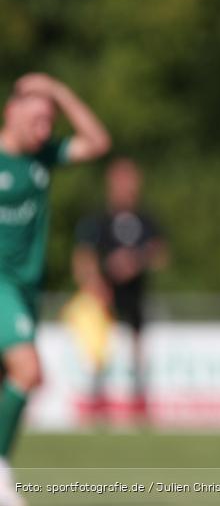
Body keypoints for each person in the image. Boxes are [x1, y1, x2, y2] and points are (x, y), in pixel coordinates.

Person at [0, 73, 110, 505]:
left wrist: (60, 91)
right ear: (12, 111)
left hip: (27, 288)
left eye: (51, 118)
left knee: (13, 378)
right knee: (29, 370)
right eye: (38, 116)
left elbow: (97, 142)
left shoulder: (42, 158)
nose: (46, 126)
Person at [72, 157, 167, 422]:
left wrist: (134, 262)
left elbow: (160, 253)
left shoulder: (146, 220)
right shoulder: (98, 219)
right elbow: (83, 256)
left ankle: (138, 400)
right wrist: (94, 283)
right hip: (104, 296)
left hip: (135, 295)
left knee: (136, 347)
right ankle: (95, 399)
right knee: (99, 346)